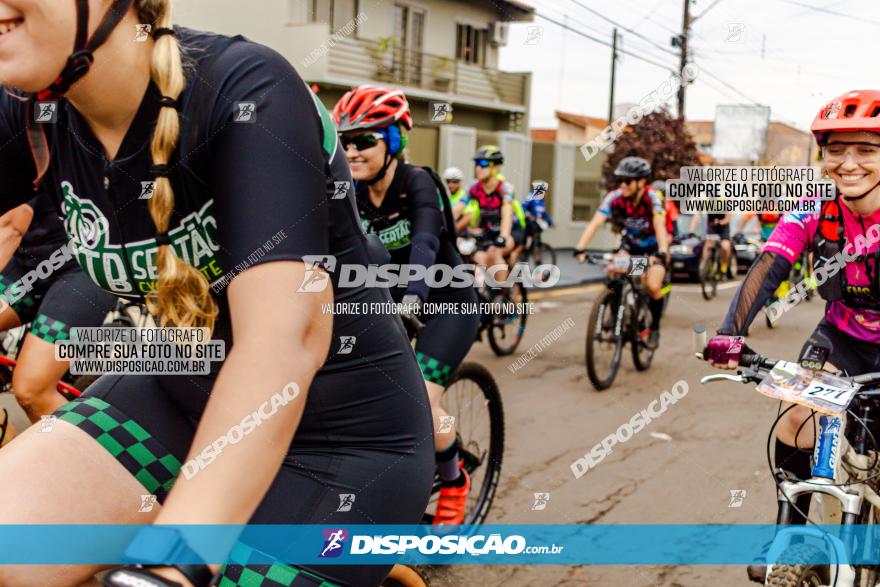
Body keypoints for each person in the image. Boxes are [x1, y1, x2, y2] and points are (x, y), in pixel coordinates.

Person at [0, 3, 433, 587]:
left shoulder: (247, 86)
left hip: (336, 441)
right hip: (173, 396)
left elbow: (284, 340)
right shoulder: (30, 113)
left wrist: (179, 557)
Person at [703, 89, 880, 582]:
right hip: (840, 336)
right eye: (836, 150)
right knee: (797, 421)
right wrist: (729, 334)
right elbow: (768, 267)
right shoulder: (815, 207)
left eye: (866, 149)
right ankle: (797, 539)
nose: (848, 163)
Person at [333, 85, 480, 525]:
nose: (352, 151)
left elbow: (426, 241)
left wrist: (415, 293)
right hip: (390, 301)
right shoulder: (350, 191)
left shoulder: (417, 182)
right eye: (344, 142)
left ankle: (454, 483)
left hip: (446, 302)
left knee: (420, 402)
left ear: (395, 140)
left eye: (365, 140)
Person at [0, 192, 118, 425]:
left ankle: (81, 459)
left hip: (84, 267)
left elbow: (10, 226)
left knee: (31, 389)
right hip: (29, 261)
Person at [574, 156, 669, 349]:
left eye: (627, 181)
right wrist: (580, 247)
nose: (623, 185)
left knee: (652, 286)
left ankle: (655, 328)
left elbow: (660, 225)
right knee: (613, 272)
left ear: (641, 181)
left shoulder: (652, 198)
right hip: (629, 247)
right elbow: (597, 221)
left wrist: (662, 252)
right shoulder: (615, 197)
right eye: (621, 180)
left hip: (652, 250)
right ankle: (615, 310)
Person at [463, 146, 526, 284]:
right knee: (478, 257)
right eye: (477, 164)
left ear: (496, 168)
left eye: (484, 164)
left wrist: (503, 235)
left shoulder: (504, 188)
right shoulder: (473, 187)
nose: (478, 168)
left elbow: (507, 212)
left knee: (495, 252)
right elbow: (457, 208)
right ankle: (486, 291)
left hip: (511, 229)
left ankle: (500, 292)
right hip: (489, 230)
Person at [689, 210, 733, 277]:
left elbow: (728, 218)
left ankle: (724, 267)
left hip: (723, 227)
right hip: (712, 226)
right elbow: (696, 216)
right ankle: (704, 263)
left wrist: (720, 222)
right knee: (708, 244)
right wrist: (691, 231)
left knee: (725, 246)